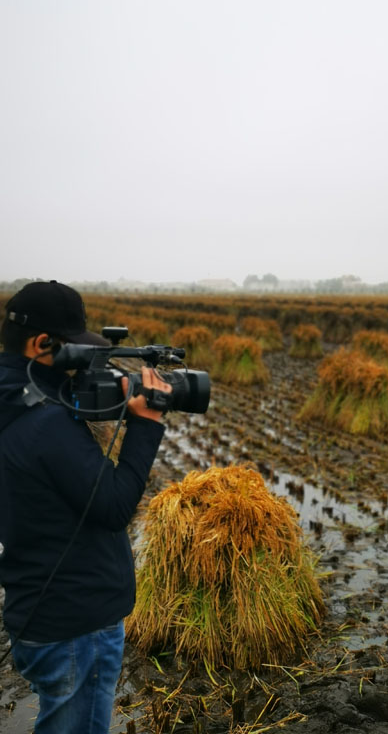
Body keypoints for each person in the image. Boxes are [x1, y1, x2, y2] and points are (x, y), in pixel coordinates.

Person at [0, 280, 171, 734]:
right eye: (74, 350)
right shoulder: (46, 424)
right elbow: (114, 506)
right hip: (74, 626)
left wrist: (99, 397)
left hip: (34, 605)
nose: (82, 362)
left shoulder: (14, 400)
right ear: (41, 344)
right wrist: (147, 425)